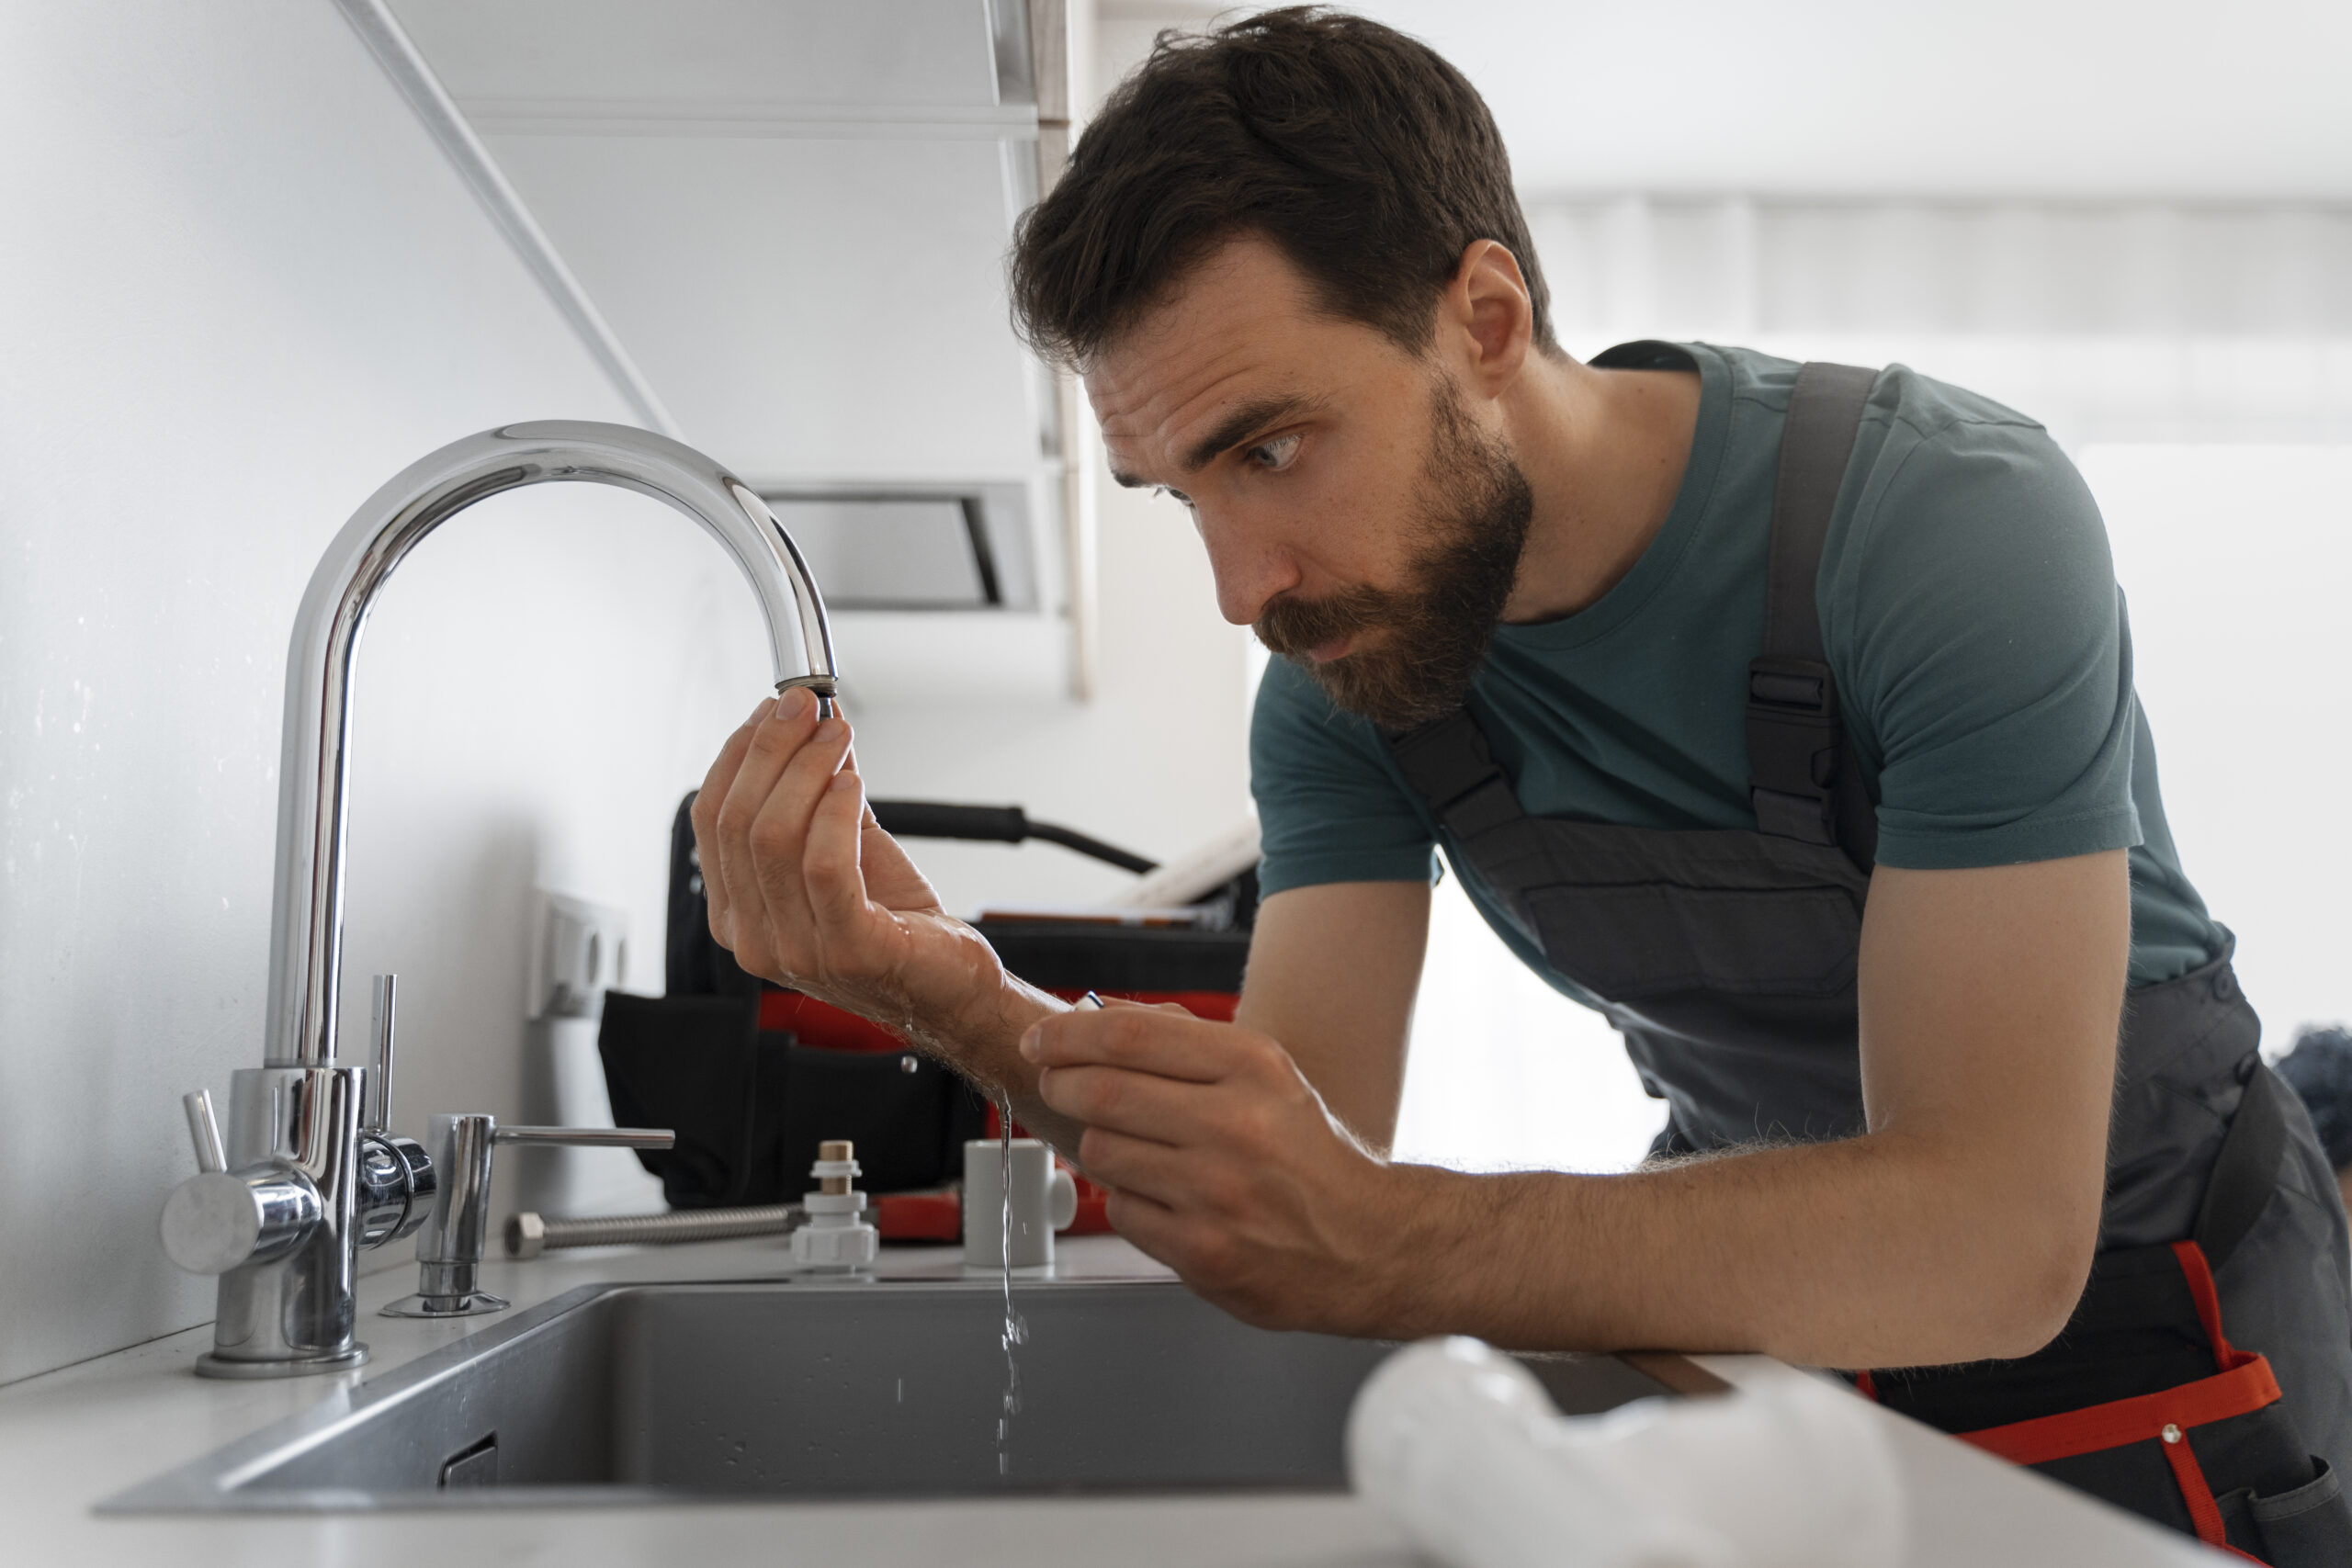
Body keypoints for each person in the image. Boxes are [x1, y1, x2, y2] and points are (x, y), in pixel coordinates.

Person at [691, 9, 2352, 1556]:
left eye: (1269, 448)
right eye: (1177, 491)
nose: (1238, 585)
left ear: (1484, 321)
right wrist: (943, 997)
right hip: (1759, 1330)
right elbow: (1291, 1153)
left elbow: (1989, 1239)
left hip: (2170, 1313)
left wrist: (1396, 1231)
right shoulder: (1349, 681)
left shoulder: (1939, 530)